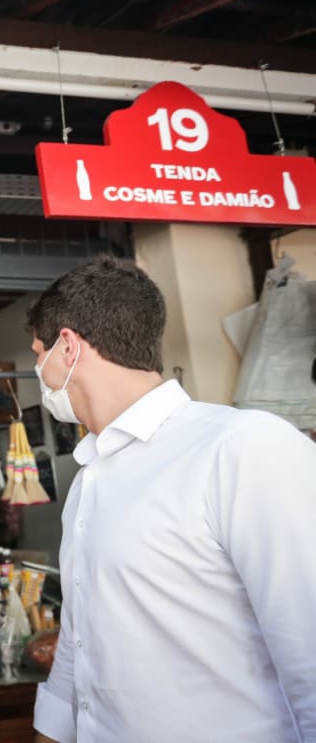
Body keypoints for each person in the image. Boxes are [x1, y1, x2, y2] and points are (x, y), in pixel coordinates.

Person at [28, 255, 316, 743]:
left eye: (39, 352)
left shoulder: (242, 448)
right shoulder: (88, 479)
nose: (39, 369)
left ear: (69, 347)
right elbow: (79, 643)